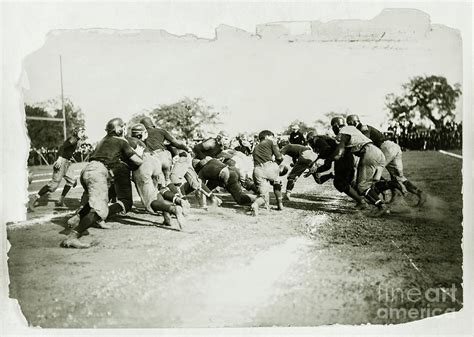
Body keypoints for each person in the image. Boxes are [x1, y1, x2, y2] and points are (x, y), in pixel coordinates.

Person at [61, 118, 144, 248]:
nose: (123, 129)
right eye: (122, 127)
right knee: (100, 210)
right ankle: (73, 236)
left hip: (87, 169)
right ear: (117, 129)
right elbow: (138, 161)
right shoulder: (121, 141)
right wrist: (139, 153)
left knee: (96, 201)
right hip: (98, 172)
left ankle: (77, 217)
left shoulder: (101, 141)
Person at [327, 117, 403, 216]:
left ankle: (382, 206)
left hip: (369, 153)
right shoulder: (351, 129)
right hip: (377, 153)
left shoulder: (343, 132)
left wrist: (328, 161)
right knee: (370, 184)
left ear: (336, 125)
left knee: (361, 186)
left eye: (333, 127)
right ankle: (391, 184)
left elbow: (339, 153)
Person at [346, 114, 427, 206]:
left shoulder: (363, 127)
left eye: (349, 123)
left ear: (352, 122)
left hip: (385, 147)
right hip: (392, 147)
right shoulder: (361, 128)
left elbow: (365, 139)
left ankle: (376, 195)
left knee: (372, 171)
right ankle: (419, 193)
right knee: (399, 177)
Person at [127, 124, 186, 228]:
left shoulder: (128, 141)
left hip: (143, 165)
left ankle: (173, 209)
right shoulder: (143, 143)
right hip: (155, 160)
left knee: (149, 201)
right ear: (143, 134)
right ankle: (168, 215)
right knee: (159, 190)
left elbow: (133, 159)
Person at [28, 126, 86, 210]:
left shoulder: (76, 140)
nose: (83, 134)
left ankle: (60, 201)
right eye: (82, 132)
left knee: (72, 181)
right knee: (53, 186)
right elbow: (62, 147)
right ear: (76, 132)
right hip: (62, 161)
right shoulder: (73, 139)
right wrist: (59, 158)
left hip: (67, 162)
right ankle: (34, 199)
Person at [306, 133, 367, 209]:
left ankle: (362, 201)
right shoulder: (325, 141)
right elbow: (327, 166)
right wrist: (315, 170)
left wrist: (319, 159)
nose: (310, 144)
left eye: (309, 141)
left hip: (342, 158)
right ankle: (364, 198)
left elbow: (326, 149)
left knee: (340, 183)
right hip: (343, 157)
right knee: (346, 181)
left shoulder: (317, 140)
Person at [140, 116, 191, 187]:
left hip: (153, 158)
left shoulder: (142, 134)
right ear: (152, 124)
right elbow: (175, 143)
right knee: (168, 180)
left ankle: (165, 194)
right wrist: (186, 148)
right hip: (164, 156)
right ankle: (178, 195)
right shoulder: (161, 131)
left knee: (159, 183)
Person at [249, 130, 284, 216]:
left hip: (257, 170)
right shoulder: (271, 142)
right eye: (272, 136)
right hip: (269, 167)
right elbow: (279, 157)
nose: (273, 138)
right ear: (267, 136)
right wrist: (276, 164)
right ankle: (280, 203)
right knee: (277, 181)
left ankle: (255, 204)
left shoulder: (255, 147)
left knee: (263, 196)